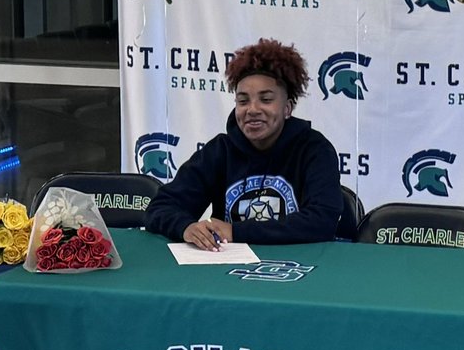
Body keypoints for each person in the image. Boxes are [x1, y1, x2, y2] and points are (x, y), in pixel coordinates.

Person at [145, 38, 350, 249]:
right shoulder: (220, 150)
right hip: (229, 271)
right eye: (243, 101)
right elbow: (160, 208)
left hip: (299, 270)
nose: (252, 109)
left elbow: (322, 222)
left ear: (287, 108)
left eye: (266, 99)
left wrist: (236, 231)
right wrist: (185, 227)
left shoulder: (314, 149)